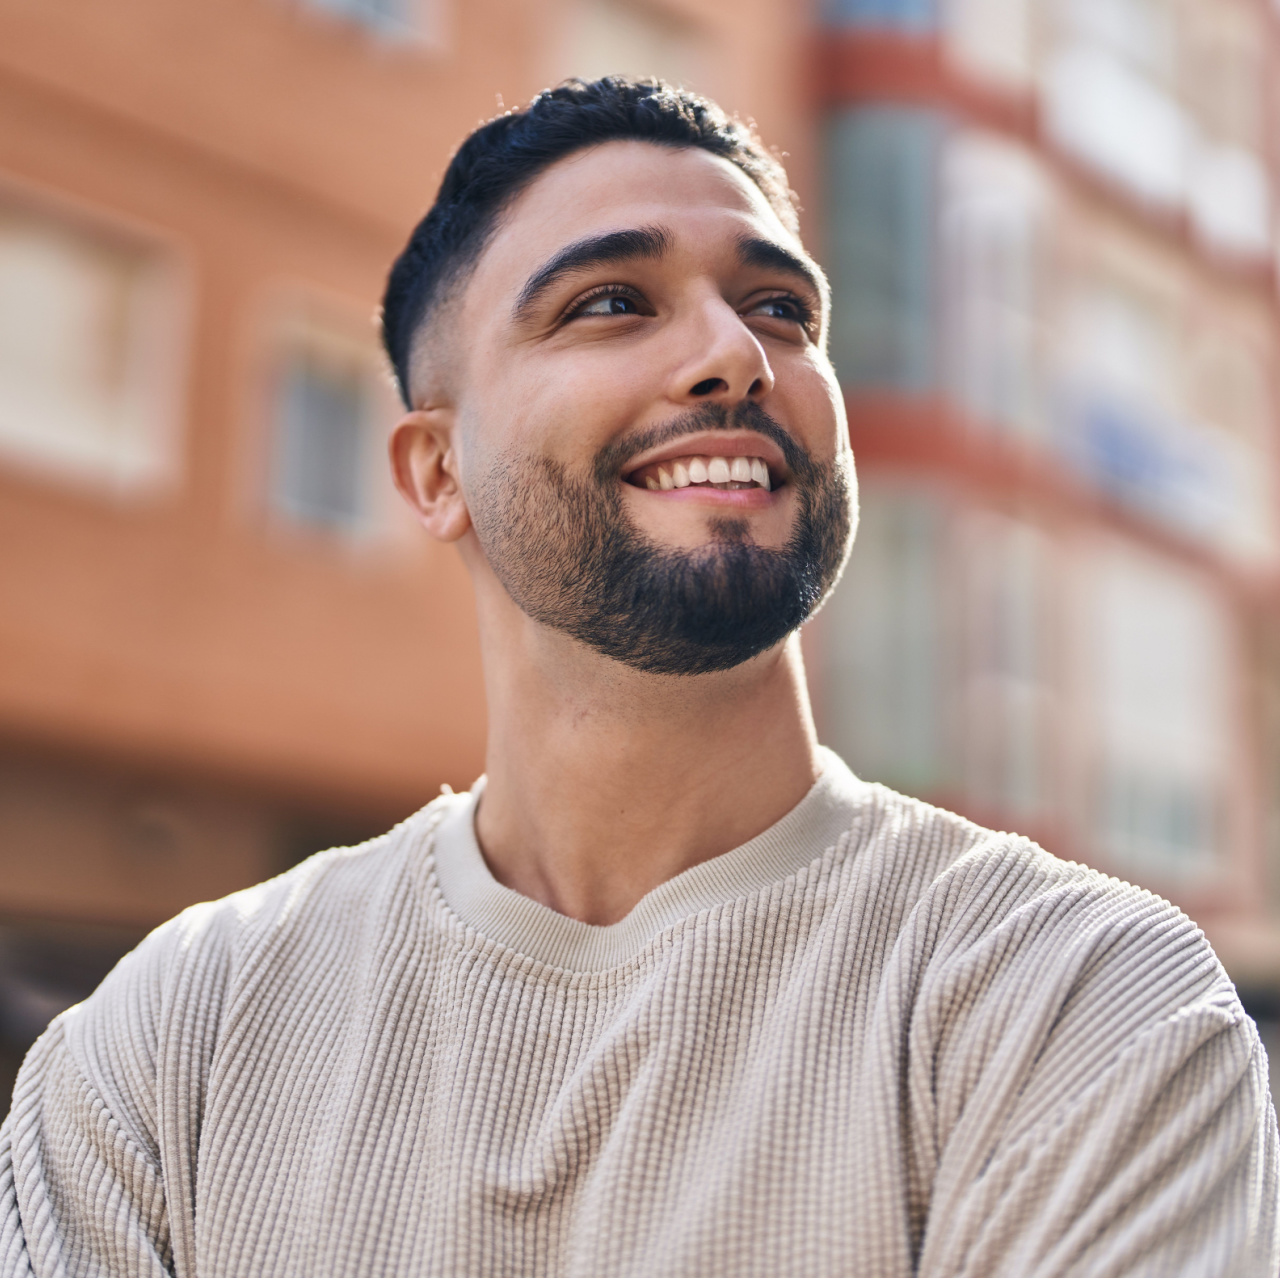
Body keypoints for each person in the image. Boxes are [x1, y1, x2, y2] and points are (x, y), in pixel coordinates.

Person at [1, 76, 1275, 1279]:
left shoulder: (1076, 998)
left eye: (780, 309)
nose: (734, 353)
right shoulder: (171, 1045)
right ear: (434, 473)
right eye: (609, 301)